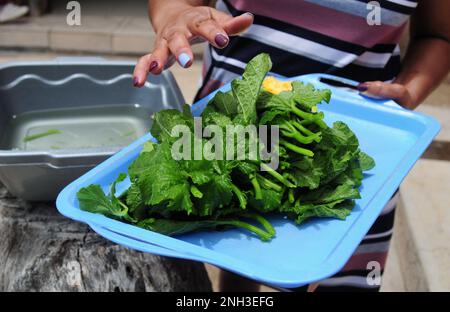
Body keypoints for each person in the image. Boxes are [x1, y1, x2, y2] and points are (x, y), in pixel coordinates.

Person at [133, 0, 450, 292]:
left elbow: (438, 35)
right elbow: (179, 4)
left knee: (340, 277)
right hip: (222, 149)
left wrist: (410, 90)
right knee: (239, 261)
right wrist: (175, 16)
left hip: (343, 163)